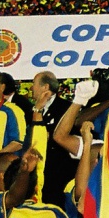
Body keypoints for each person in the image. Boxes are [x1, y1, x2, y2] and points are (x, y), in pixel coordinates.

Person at [29, 71, 77, 206]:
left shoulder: (67, 108)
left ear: (45, 87)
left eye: (34, 84)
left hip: (60, 173)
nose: (32, 88)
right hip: (37, 171)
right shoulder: (31, 110)